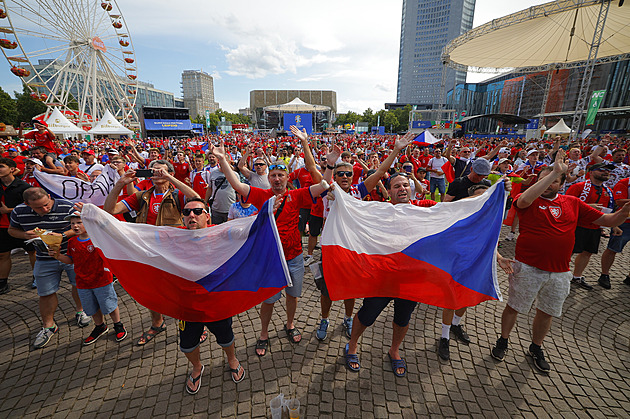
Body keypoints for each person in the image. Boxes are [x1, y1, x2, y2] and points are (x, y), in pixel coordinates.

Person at [491, 150, 630, 373]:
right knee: (514, 306)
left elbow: (607, 219)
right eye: (543, 180)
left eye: (554, 180)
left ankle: (536, 347)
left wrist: (624, 213)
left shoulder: (572, 202)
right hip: (527, 266)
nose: (547, 185)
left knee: (547, 312)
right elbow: (525, 199)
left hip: (559, 271)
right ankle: (503, 340)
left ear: (561, 183)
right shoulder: (526, 200)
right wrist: (553, 171)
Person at [210, 136, 329, 357]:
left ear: (286, 178)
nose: (276, 179)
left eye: (280, 175)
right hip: (271, 259)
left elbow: (323, 185)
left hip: (294, 257)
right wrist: (222, 158)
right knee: (268, 300)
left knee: (293, 296)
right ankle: (264, 333)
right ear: (268, 178)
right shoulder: (262, 195)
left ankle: (290, 324)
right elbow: (236, 184)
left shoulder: (297, 195)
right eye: (273, 175)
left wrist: (311, 150)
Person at [344, 169, 437, 377]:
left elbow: (457, 212)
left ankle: (394, 350)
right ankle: (352, 345)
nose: (402, 189)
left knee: (403, 318)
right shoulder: (380, 210)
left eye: (405, 185)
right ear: (389, 191)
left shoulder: (425, 208)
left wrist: (494, 194)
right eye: (397, 186)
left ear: (411, 188)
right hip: (383, 275)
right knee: (367, 315)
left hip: (411, 278)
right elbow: (353, 209)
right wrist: (337, 198)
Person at [104, 159, 200, 345]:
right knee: (151, 290)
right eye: (154, 170)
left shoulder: (178, 195)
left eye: (161, 171)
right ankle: (157, 323)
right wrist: (120, 184)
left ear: (169, 173)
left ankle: (192, 323)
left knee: (181, 289)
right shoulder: (141, 196)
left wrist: (171, 179)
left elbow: (196, 199)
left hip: (175, 252)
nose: (157, 173)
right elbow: (110, 210)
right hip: (148, 252)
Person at [176, 198, 245, 394]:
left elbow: (249, 230)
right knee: (187, 345)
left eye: (197, 212)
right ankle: (197, 367)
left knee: (226, 337)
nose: (192, 215)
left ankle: (232, 359)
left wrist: (267, 212)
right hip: (187, 305)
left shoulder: (221, 233)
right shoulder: (174, 237)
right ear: (182, 219)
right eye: (187, 212)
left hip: (217, 302)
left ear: (207, 216)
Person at [9, 187, 91, 349]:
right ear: (27, 204)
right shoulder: (19, 211)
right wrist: (25, 235)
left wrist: (63, 235)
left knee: (78, 285)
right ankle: (48, 326)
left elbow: (82, 225)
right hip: (44, 258)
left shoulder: (66, 206)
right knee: (45, 293)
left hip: (71, 255)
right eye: (38, 207)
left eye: (46, 205)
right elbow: (12, 230)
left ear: (49, 196)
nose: (44, 209)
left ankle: (81, 311)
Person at [438, 158, 492, 360]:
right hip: (456, 242)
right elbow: (444, 207)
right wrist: (470, 201)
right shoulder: (459, 184)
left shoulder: (487, 185)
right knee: (451, 293)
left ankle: (456, 325)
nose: (481, 178)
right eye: (478, 175)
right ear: (471, 170)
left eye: (484, 176)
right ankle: (444, 336)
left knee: (469, 290)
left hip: (476, 245)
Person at [49, 211, 127, 345]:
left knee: (109, 304)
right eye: (72, 223)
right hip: (83, 282)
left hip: (101, 280)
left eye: (79, 222)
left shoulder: (98, 239)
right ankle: (100, 326)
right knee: (91, 307)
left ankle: (118, 324)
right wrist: (57, 256)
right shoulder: (72, 241)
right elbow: (71, 260)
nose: (75, 226)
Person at [566, 162, 616, 290]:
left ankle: (577, 277)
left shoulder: (608, 191)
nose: (606, 172)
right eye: (602, 170)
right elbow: (565, 205)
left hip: (594, 228)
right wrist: (588, 207)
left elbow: (609, 210)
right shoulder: (579, 187)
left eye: (608, 171)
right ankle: (557, 274)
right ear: (591, 172)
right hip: (576, 226)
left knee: (587, 253)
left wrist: (613, 225)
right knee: (567, 252)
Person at [0, 157, 32, 294]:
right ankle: (2, 282)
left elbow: (32, 205)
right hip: (2, 226)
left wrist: (9, 210)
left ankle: (37, 277)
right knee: (2, 254)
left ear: (12, 169)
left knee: (32, 252)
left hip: (22, 226)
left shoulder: (24, 187)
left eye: (1, 166)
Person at [598, 176, 630, 289]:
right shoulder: (624, 183)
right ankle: (604, 274)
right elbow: (619, 201)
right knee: (613, 248)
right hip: (624, 221)